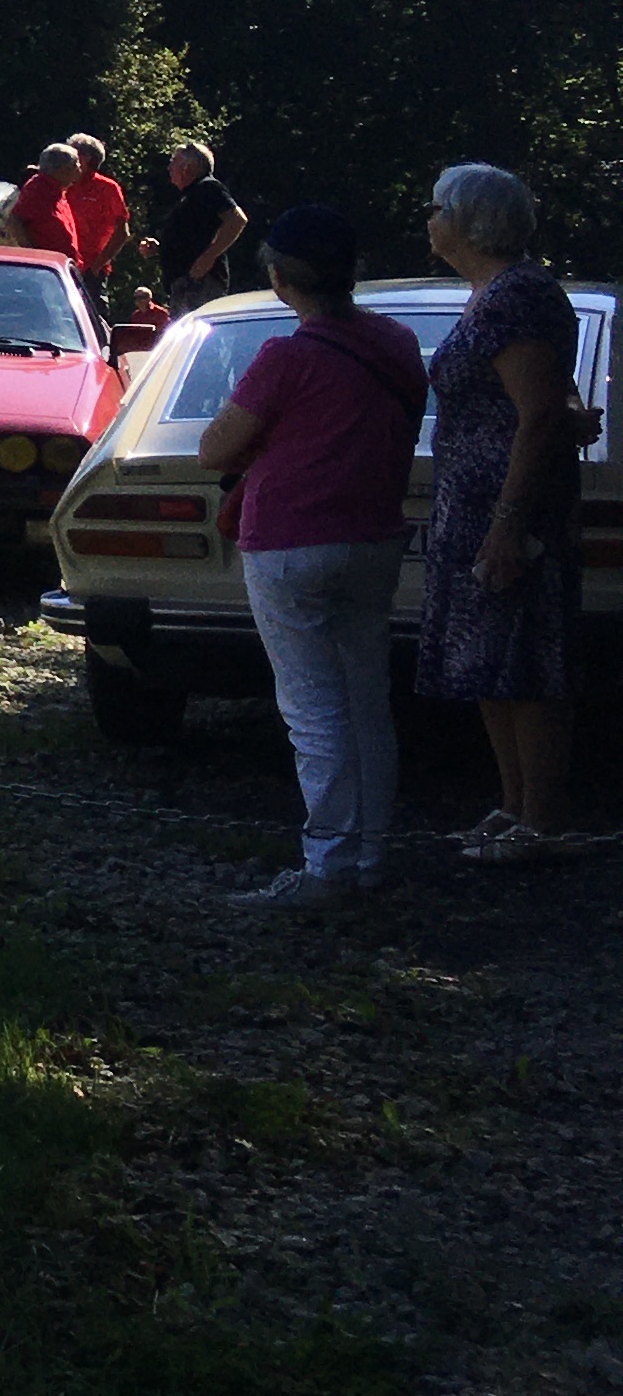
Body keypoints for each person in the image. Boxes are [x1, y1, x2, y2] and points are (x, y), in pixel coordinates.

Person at [197, 204, 425, 906]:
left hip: (289, 542)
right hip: (374, 537)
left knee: (313, 711)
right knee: (367, 701)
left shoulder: (284, 356)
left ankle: (326, 866)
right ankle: (370, 857)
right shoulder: (397, 343)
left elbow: (215, 451)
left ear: (278, 278)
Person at [418, 162, 586, 859]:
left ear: (470, 220)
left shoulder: (517, 295)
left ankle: (541, 821)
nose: (428, 220)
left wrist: (509, 523)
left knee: (526, 659)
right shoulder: (487, 294)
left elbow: (538, 411)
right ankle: (512, 805)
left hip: (510, 510)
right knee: (488, 659)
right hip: (472, 504)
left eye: (437, 208)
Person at [143, 142, 253, 311]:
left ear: (187, 167)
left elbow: (237, 219)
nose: (169, 168)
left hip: (199, 282)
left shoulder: (209, 187)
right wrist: (160, 248)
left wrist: (209, 257)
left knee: (198, 327)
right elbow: (192, 236)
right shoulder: (188, 196)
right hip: (184, 283)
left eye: (173, 161)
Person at [62, 133, 131, 286]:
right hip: (60, 264)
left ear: (86, 158)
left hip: (91, 271)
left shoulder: (107, 188)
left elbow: (122, 232)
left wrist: (97, 266)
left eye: (71, 154)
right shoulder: (63, 183)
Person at [5, 142, 86, 259]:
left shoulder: (57, 189)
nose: (79, 172)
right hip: (47, 264)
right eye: (75, 166)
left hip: (63, 263)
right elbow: (15, 221)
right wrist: (34, 255)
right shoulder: (38, 189)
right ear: (60, 170)